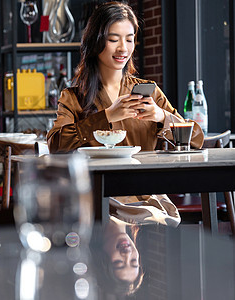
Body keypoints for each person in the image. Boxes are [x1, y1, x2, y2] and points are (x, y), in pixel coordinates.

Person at [46, 2, 204, 226]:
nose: (123, 48)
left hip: (144, 195)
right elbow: (55, 145)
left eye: (129, 39)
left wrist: (161, 117)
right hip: (97, 197)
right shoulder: (73, 97)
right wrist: (107, 116)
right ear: (96, 41)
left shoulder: (149, 91)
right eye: (113, 39)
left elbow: (197, 138)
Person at [90, 216, 144, 298]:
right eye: (133, 261)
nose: (127, 254)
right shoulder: (140, 213)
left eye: (118, 262)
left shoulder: (88, 218)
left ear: (101, 260)